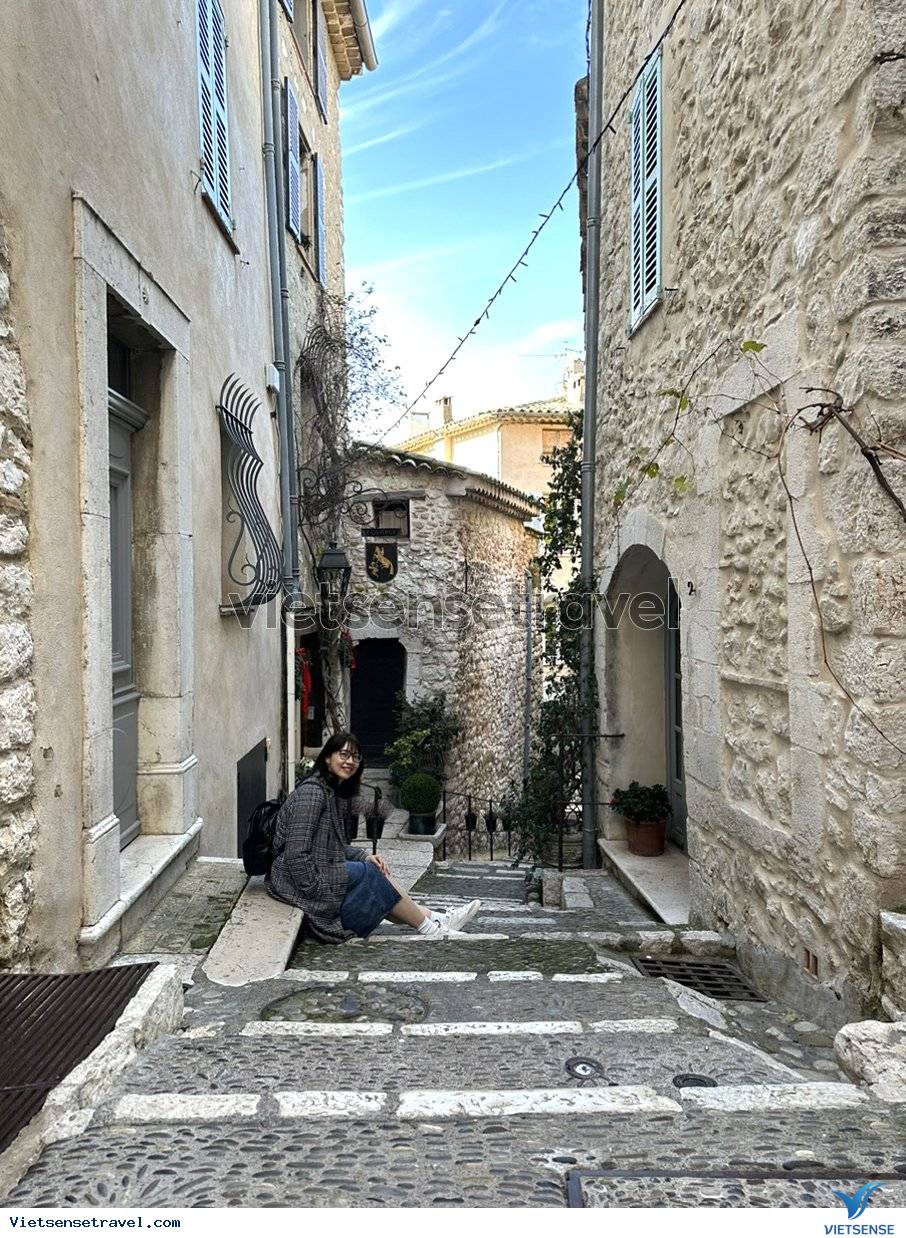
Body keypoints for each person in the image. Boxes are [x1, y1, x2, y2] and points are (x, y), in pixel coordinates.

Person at [267, 732, 480, 943]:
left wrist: (365, 856)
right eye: (343, 755)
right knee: (371, 875)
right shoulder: (312, 793)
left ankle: (437, 920)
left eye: (355, 757)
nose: (350, 761)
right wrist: (318, 893)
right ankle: (431, 928)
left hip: (319, 869)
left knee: (374, 871)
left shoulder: (330, 792)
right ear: (327, 758)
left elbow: (333, 846)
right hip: (295, 881)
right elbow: (296, 854)